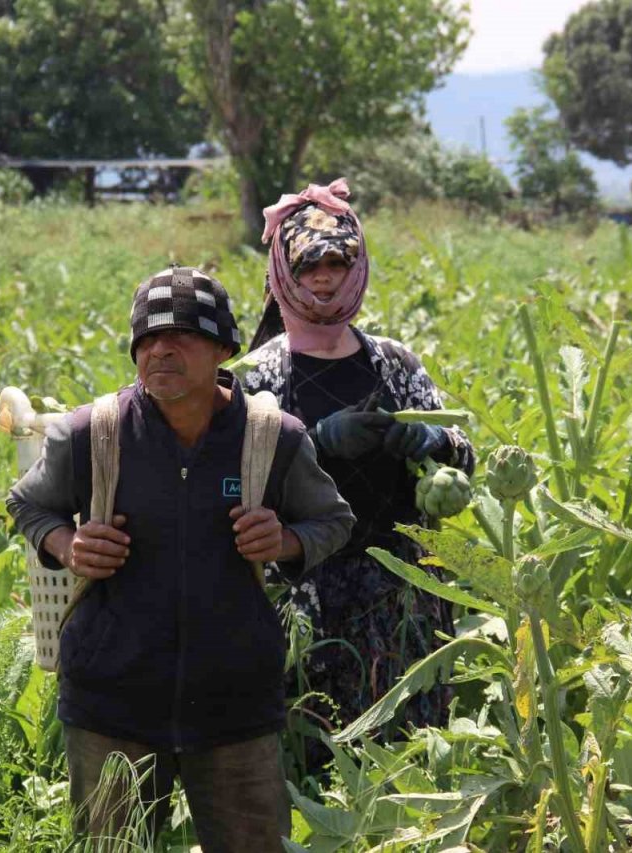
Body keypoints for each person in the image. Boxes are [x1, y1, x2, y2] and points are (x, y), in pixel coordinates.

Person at [6, 266, 355, 850]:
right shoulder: (93, 434)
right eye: (147, 339)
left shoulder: (272, 438)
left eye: (183, 336)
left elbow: (334, 521)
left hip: (234, 704)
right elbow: (27, 504)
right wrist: (68, 545)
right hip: (111, 698)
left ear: (223, 349)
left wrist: (286, 541)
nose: (161, 350)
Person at [233, 179, 475, 766]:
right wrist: (314, 445)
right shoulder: (258, 375)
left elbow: (465, 454)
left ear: (357, 267)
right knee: (314, 754)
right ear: (284, 272)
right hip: (299, 591)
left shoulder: (393, 361)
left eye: (337, 262)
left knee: (407, 754)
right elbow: (232, 481)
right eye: (307, 263)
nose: (323, 276)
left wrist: (429, 439)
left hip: (403, 592)